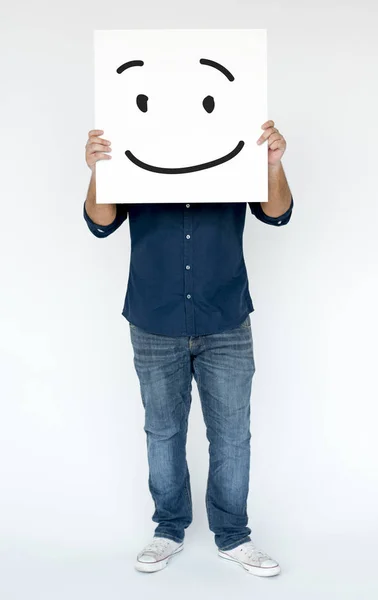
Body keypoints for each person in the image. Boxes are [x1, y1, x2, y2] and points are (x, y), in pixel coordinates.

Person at [83, 120, 293, 576]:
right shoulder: (134, 142)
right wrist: (100, 168)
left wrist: (273, 165)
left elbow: (276, 213)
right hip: (154, 317)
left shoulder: (234, 142)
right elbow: (101, 224)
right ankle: (169, 528)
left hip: (226, 317)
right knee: (163, 432)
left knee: (233, 436)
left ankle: (234, 535)